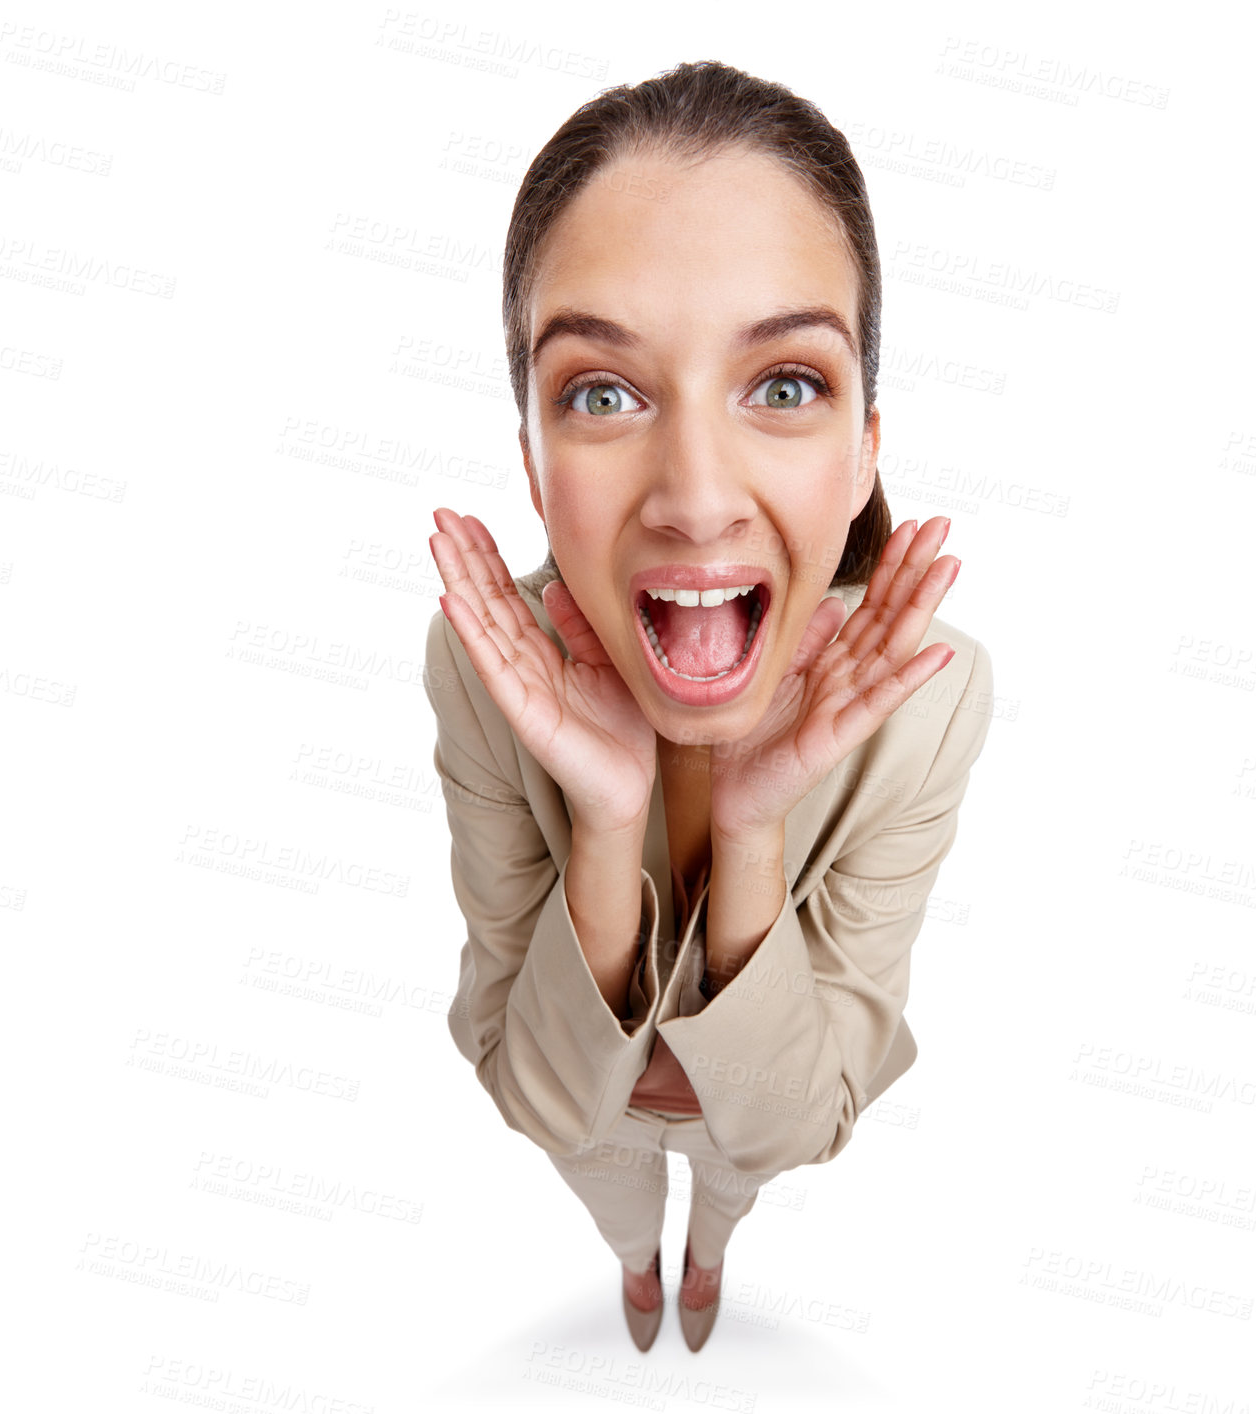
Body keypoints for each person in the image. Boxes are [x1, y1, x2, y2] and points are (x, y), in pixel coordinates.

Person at [422, 59, 994, 1354]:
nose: (692, 494)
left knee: (735, 1182)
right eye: (602, 392)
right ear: (532, 461)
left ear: (861, 451)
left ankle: (709, 1251)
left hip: (756, 1093)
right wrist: (607, 815)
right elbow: (549, 1097)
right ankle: (637, 1258)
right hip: (594, 1106)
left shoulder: (930, 699)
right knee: (608, 1178)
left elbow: (792, 1117)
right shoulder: (478, 659)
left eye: (782, 385)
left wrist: (748, 826)